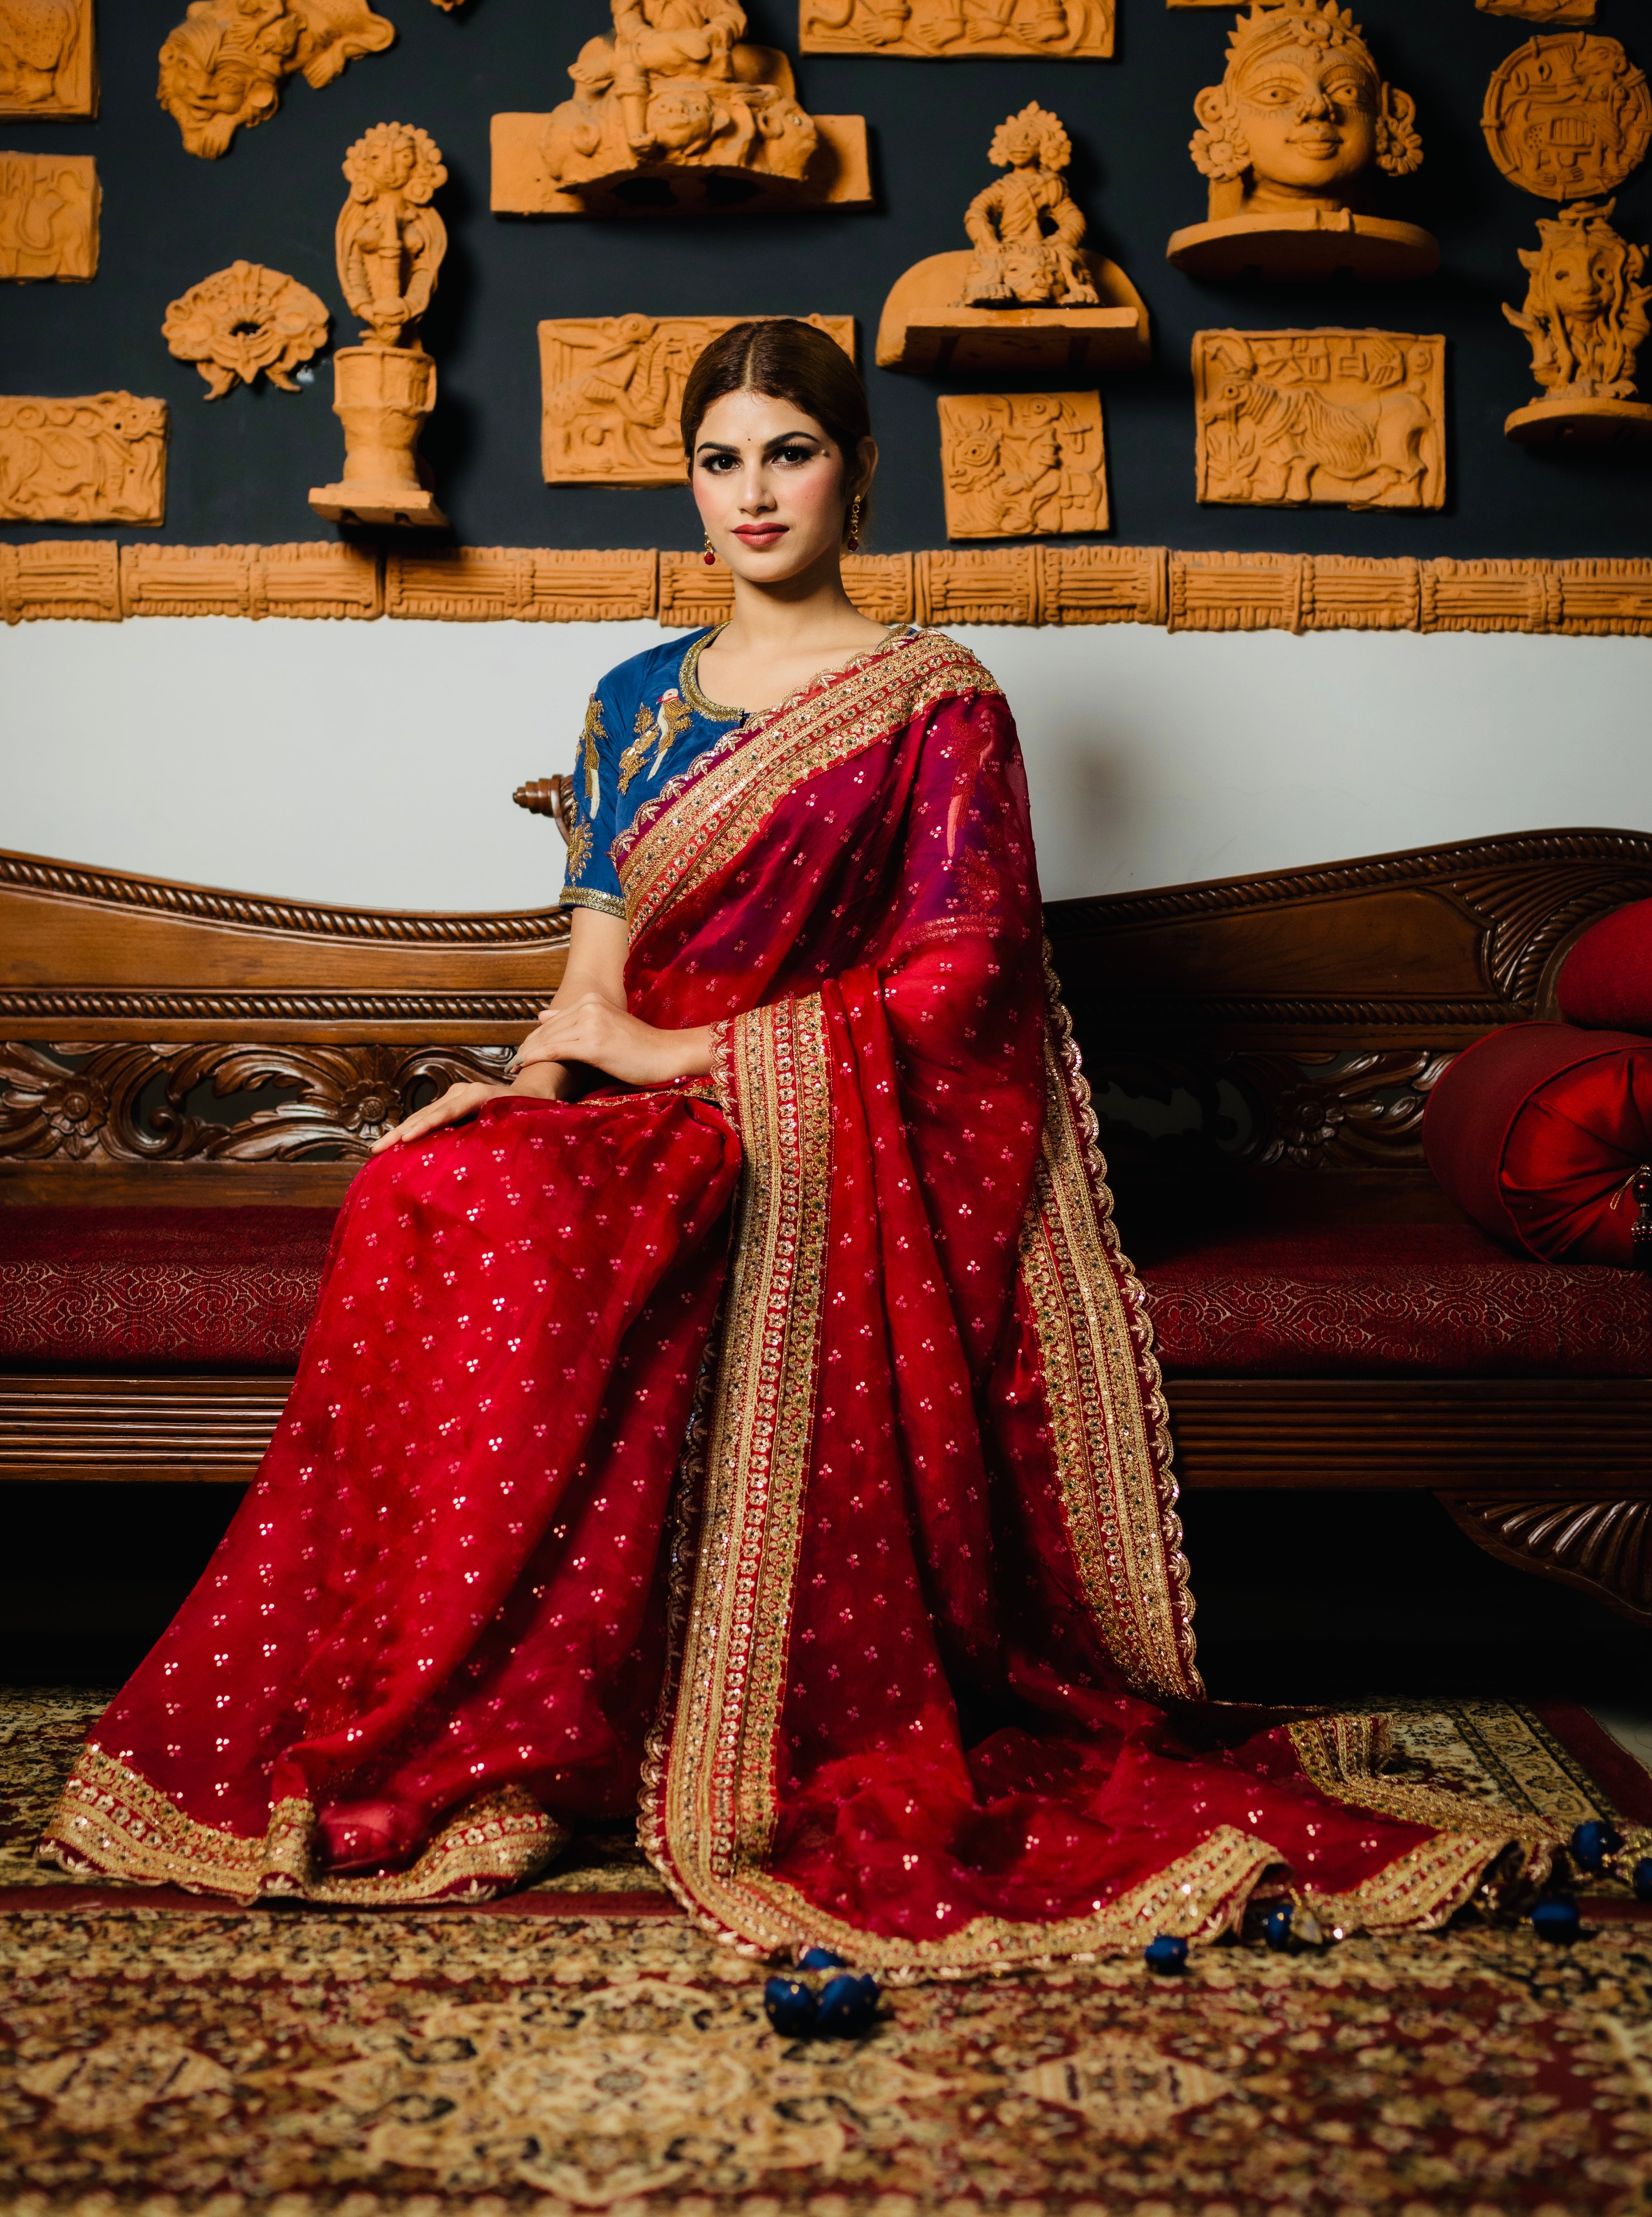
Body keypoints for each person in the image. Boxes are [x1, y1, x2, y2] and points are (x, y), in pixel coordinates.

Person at [43, 322, 1543, 1961]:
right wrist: (526, 1083)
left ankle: (531, 1728)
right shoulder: (635, 701)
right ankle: (458, 1721)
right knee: (429, 1181)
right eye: (720, 460)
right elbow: (591, 981)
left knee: (544, 1220)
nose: (752, 493)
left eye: (789, 453)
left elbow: (966, 982)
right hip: (642, 1107)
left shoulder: (936, 706)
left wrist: (701, 1057)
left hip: (810, 1134)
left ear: (858, 472)